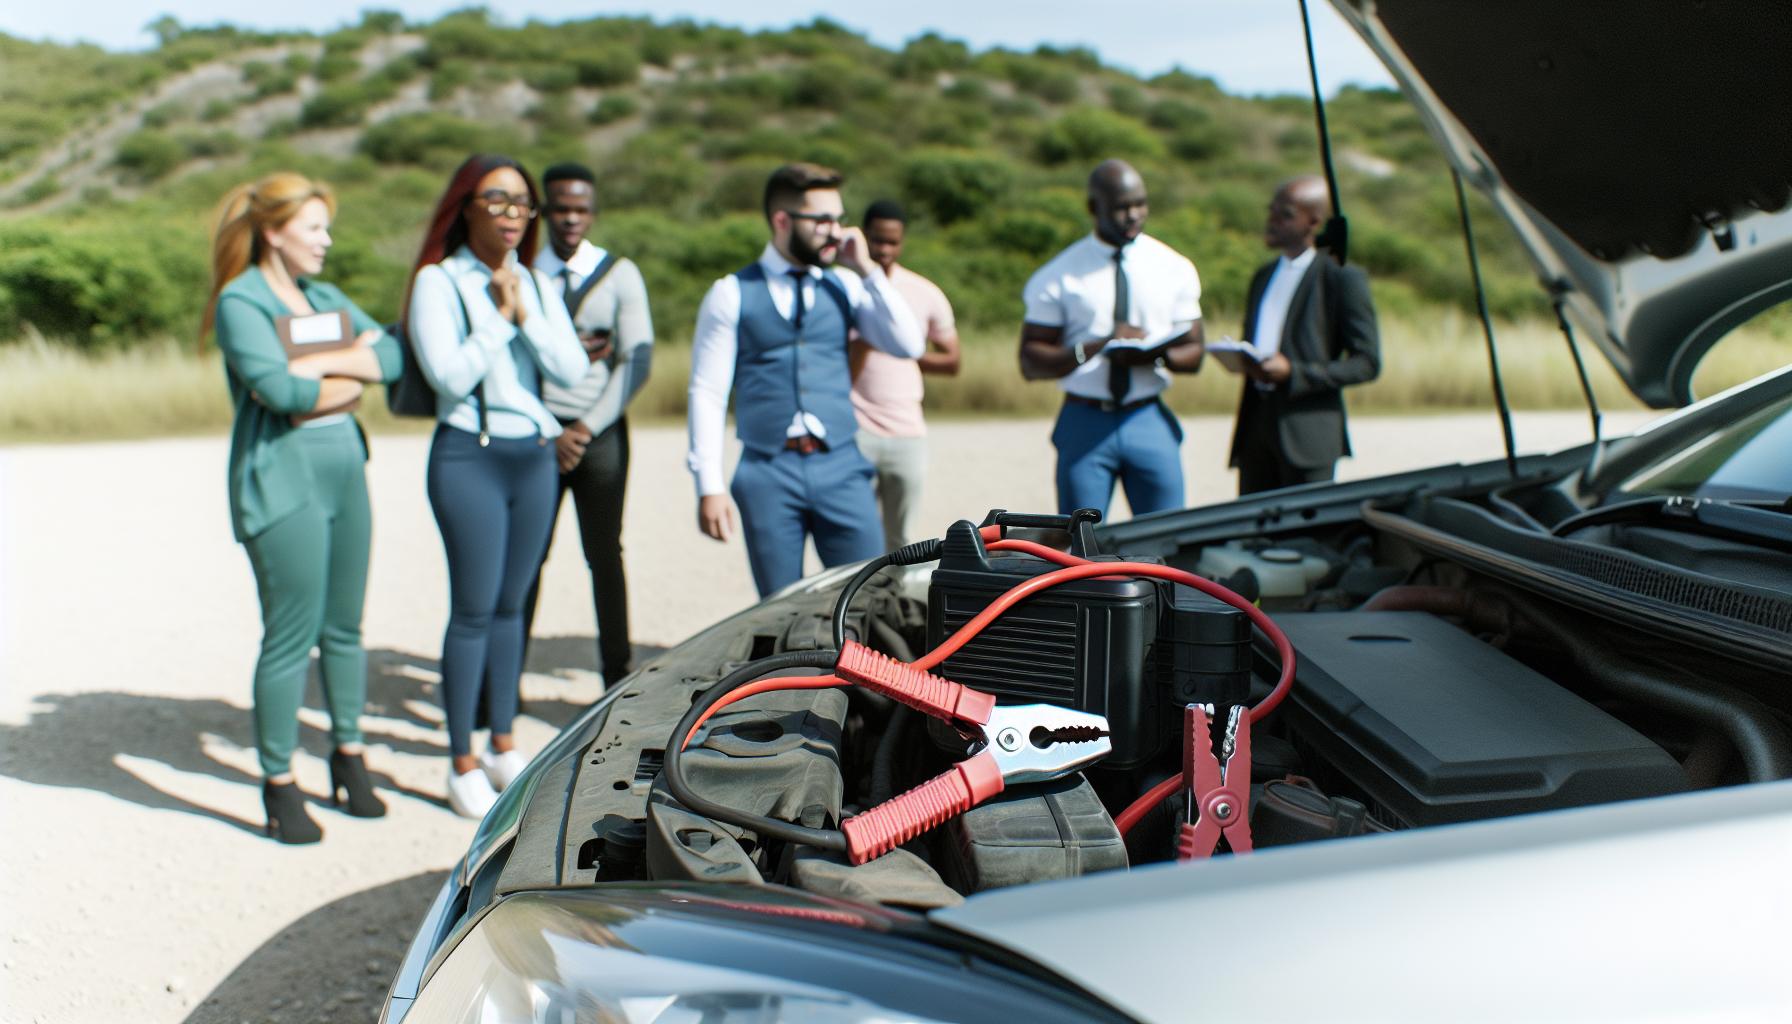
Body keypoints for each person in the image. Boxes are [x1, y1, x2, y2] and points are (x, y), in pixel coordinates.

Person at [203, 171, 404, 843]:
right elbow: (280, 393)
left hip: (347, 473)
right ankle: (278, 782)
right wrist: (351, 369)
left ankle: (348, 756)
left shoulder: (323, 296)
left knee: (346, 628)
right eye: (315, 227)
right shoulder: (242, 301)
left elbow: (396, 356)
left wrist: (323, 367)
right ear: (274, 232)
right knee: (290, 636)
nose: (327, 240)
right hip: (283, 481)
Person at [403, 154, 588, 818]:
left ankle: (503, 742)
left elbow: (569, 366)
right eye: (498, 201)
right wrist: (496, 319)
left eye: (522, 204)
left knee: (513, 607)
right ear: (466, 208)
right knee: (475, 608)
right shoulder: (438, 282)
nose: (513, 215)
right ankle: (459, 761)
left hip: (533, 455)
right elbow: (449, 375)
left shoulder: (534, 284)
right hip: (469, 455)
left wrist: (525, 313)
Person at [688, 162, 924, 597]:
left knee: (868, 597)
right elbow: (707, 390)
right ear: (783, 221)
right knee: (781, 608)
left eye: (839, 217)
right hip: (767, 469)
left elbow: (909, 344)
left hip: (842, 464)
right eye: (823, 220)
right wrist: (710, 484)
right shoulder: (731, 291)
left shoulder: (847, 286)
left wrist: (868, 269)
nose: (836, 231)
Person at [522, 162, 653, 689]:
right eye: (560, 209)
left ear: (592, 213)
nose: (570, 219)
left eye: (580, 210)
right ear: (545, 212)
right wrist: (549, 427)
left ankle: (616, 677)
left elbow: (635, 362)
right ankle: (503, 681)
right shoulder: (523, 272)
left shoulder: (620, 274)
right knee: (527, 557)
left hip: (599, 437)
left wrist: (583, 428)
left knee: (605, 554)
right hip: (535, 433)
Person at [1020, 159, 1206, 519]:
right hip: (1085, 418)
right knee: (1085, 545)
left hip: (1147, 414)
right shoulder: (1060, 274)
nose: (1134, 215)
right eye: (1122, 207)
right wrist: (1098, 346)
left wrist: (1153, 355)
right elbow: (1030, 361)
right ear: (1094, 208)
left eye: (1141, 204)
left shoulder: (1172, 266)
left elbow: (1195, 352)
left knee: (1166, 538)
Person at [1227, 175, 1381, 495]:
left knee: (1304, 538)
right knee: (1249, 532)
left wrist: (1294, 372)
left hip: (1307, 431)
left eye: (1284, 214)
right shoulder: (1263, 275)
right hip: (1256, 426)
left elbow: (1367, 362)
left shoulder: (1340, 277)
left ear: (1313, 221)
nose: (1271, 220)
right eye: (1271, 210)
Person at [850, 199, 960, 551]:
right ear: (863, 237)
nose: (883, 250)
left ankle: (894, 604)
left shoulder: (924, 292)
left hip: (907, 432)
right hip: (855, 429)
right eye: (876, 241)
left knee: (902, 541)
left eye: (892, 242)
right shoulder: (843, 287)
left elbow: (953, 361)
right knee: (854, 537)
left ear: (902, 242)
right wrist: (863, 346)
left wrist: (904, 349)